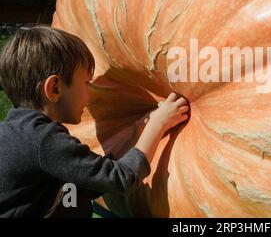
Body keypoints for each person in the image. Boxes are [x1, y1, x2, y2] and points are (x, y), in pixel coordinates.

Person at [0, 26, 189, 217]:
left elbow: (89, 181)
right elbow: (121, 180)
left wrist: (137, 132)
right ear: (55, 88)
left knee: (76, 202)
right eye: (86, 83)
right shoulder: (44, 140)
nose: (90, 94)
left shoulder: (15, 132)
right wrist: (158, 125)